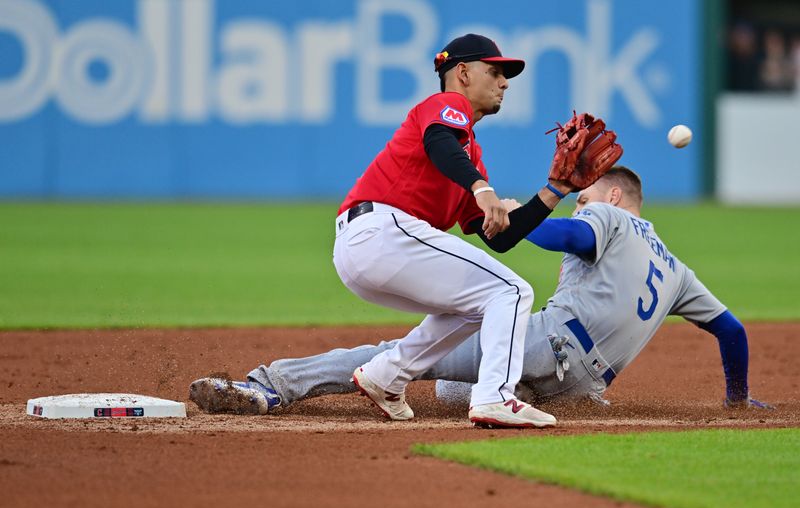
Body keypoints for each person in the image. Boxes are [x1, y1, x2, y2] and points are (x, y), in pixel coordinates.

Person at [191, 33, 582, 429]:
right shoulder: (446, 106)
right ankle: (495, 396)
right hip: (383, 231)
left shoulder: (469, 156)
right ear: (462, 73)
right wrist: (481, 188)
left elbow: (499, 237)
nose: (504, 82)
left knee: (480, 303)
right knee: (513, 291)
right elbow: (438, 140)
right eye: (494, 71)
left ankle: (386, 375)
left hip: (370, 247)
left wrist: (556, 191)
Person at [189, 167, 771, 416]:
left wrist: (522, 218)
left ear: (614, 198)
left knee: (397, 357)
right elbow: (732, 332)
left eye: (587, 195)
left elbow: (565, 232)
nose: (582, 201)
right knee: (449, 385)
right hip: (574, 388)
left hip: (543, 347)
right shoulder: (677, 271)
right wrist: (738, 399)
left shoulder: (611, 220)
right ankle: (471, 394)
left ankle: (269, 386)